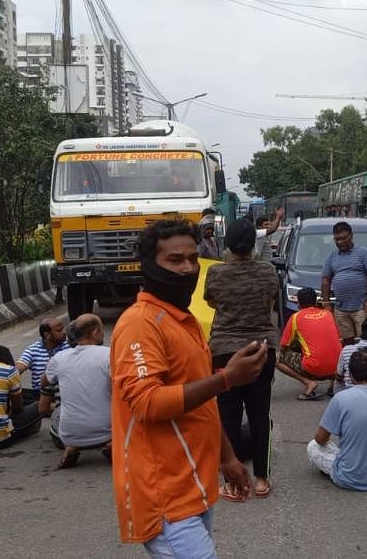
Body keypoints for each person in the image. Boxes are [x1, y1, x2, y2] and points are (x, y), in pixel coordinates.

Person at [110, 218, 268, 556]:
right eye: (175, 260)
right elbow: (147, 403)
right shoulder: (139, 324)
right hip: (165, 497)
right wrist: (227, 378)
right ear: (149, 265)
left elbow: (202, 401)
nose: (187, 269)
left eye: (193, 259)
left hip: (195, 484)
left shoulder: (185, 322)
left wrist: (227, 457)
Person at [204, 218, 281, 503]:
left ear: (228, 244)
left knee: (228, 415)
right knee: (260, 413)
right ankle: (261, 479)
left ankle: (232, 482)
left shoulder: (216, 273)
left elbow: (211, 302)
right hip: (261, 348)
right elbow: (270, 301)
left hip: (224, 349)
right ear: (252, 245)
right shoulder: (268, 271)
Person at [307, 347, 367, 491]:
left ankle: (351, 460)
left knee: (313, 446)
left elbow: (320, 439)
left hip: (349, 477)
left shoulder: (340, 399)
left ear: (351, 375)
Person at [43, 313, 112, 469]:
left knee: (57, 413)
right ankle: (111, 443)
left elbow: (45, 381)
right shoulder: (109, 355)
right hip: (108, 430)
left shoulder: (60, 358)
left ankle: (72, 447)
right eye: (101, 330)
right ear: (95, 333)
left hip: (68, 434)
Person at [321, 221, 367, 345]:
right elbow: (326, 280)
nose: (340, 242)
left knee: (366, 340)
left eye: (343, 238)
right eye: (336, 239)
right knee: (346, 341)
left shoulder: (363, 253)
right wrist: (326, 303)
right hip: (341, 309)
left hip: (362, 307)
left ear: (351, 236)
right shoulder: (332, 257)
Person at [277, 288, 343, 400]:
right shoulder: (328, 314)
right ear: (316, 302)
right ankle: (333, 385)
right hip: (337, 367)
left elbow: (284, 346)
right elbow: (336, 338)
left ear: (298, 303)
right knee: (329, 347)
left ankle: (309, 383)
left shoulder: (296, 317)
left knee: (277, 359)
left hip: (314, 368)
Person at [18, 318, 70, 405]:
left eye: (63, 328)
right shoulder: (33, 350)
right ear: (47, 335)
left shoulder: (70, 346)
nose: (64, 332)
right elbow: (19, 367)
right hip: (40, 394)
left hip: (65, 392)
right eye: (59, 330)